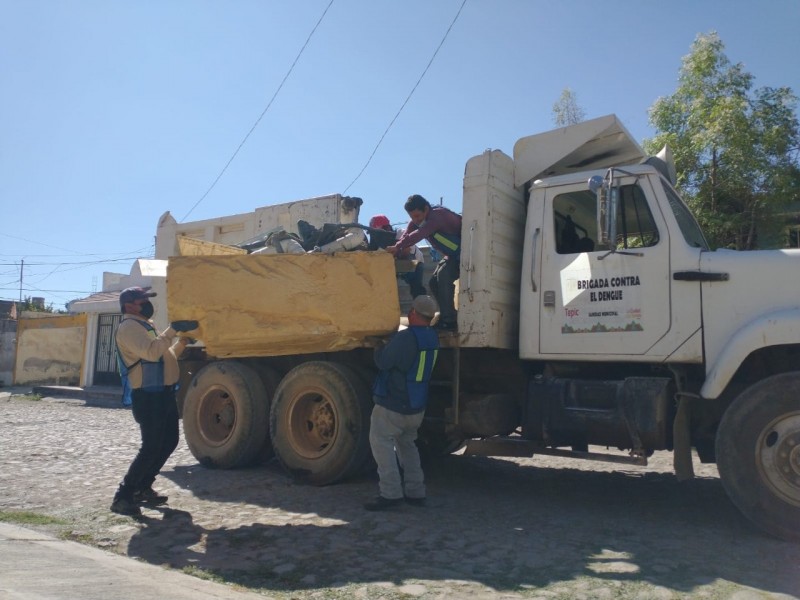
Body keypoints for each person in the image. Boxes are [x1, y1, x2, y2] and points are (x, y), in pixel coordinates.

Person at [111, 286, 198, 516]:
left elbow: (163, 355)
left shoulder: (145, 326)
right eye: (143, 301)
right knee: (150, 446)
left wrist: (182, 342)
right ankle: (123, 495)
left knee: (169, 441)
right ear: (129, 305)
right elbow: (151, 353)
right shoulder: (128, 327)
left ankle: (143, 486)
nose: (148, 304)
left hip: (163, 393)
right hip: (148, 396)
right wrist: (172, 330)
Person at [365, 295, 440, 511]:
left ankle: (391, 495)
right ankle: (416, 492)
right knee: (408, 445)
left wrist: (378, 346)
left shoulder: (406, 338)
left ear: (414, 314)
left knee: (381, 443)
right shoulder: (432, 337)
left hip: (395, 402)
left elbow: (384, 362)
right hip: (417, 404)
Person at [387, 195, 462, 330]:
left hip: (463, 254)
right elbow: (407, 235)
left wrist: (398, 246)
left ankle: (449, 321)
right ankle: (448, 315)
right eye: (412, 217)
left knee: (444, 277)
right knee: (434, 282)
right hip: (451, 256)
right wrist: (397, 249)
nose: (415, 220)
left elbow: (419, 234)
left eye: (418, 216)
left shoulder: (437, 216)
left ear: (426, 209)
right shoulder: (416, 221)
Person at [369, 214, 426, 298]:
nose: (375, 236)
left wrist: (391, 252)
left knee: (416, 289)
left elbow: (406, 252)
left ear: (386, 228)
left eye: (376, 232)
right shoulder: (381, 245)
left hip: (415, 263)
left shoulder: (401, 233)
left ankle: (421, 306)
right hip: (397, 265)